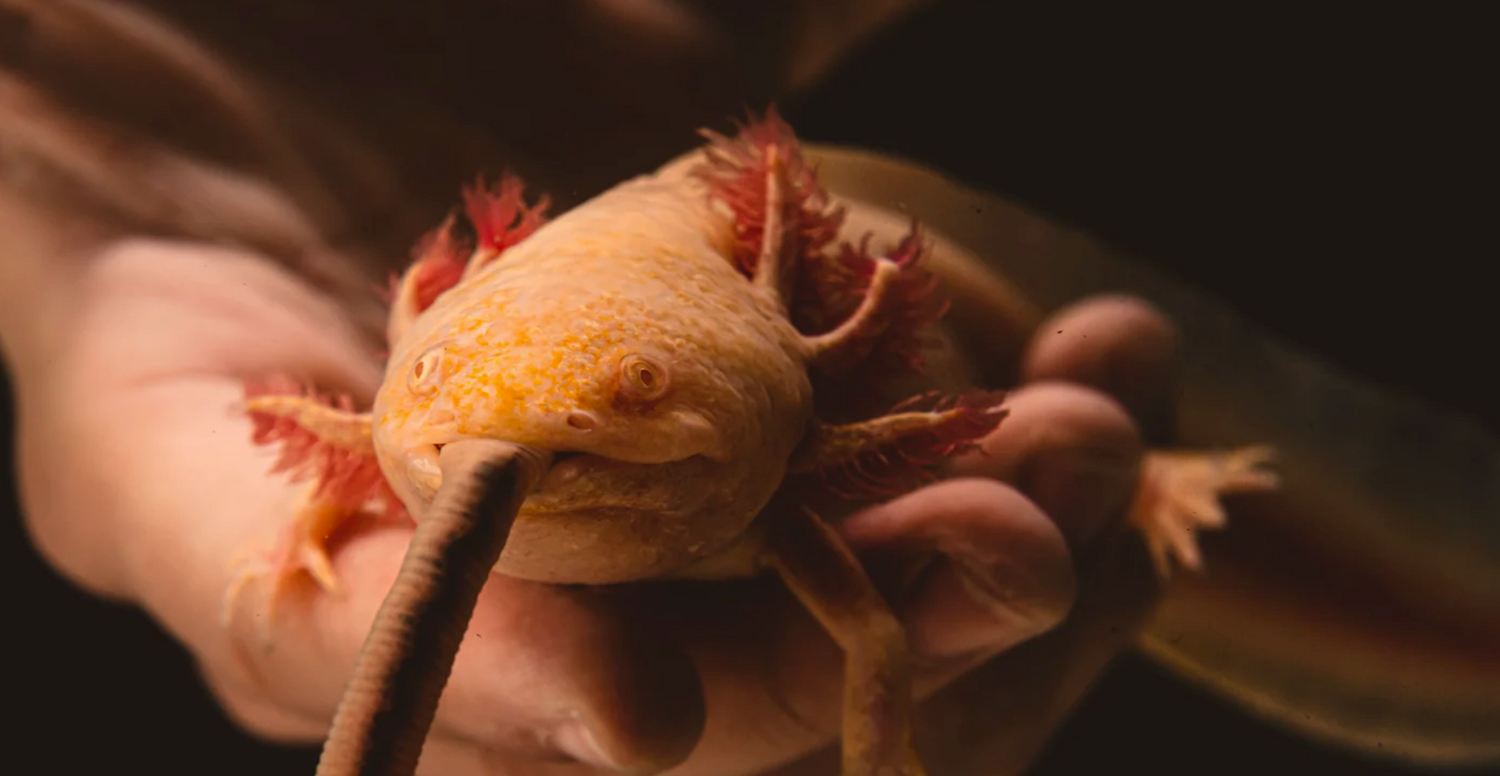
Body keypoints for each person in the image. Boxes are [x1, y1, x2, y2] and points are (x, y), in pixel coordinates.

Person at [1, 1, 1175, 773]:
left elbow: (872, 635)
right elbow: (388, 442)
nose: (537, 424)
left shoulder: (794, 377)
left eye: (641, 385)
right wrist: (305, 534)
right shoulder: (429, 393)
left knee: (1085, 436)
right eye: (446, 375)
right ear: (410, 324)